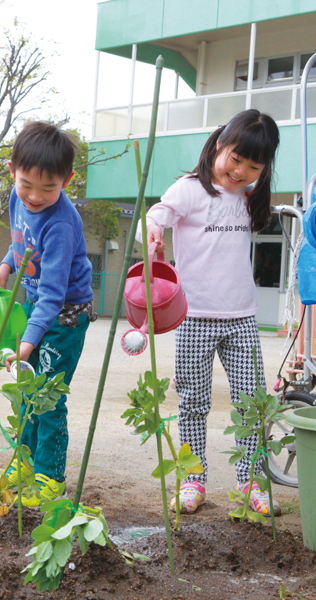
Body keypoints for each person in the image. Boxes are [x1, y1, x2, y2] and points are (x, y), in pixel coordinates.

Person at [144, 109, 281, 516]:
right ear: (220, 144)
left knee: (250, 402)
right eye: (235, 159)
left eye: (252, 166)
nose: (239, 172)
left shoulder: (249, 197)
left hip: (240, 316)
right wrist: (153, 235)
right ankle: (193, 478)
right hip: (193, 316)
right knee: (192, 402)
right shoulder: (189, 189)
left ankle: (251, 481)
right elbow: (155, 217)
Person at [0, 121, 96, 508]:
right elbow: (20, 241)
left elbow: (52, 295)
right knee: (25, 391)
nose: (34, 197)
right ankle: (25, 460)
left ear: (66, 181)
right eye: (26, 184)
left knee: (47, 396)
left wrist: (28, 343)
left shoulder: (62, 224)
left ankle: (51, 477)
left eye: (48, 188)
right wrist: (5, 267)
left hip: (64, 314)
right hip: (35, 306)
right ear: (13, 169)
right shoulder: (19, 198)